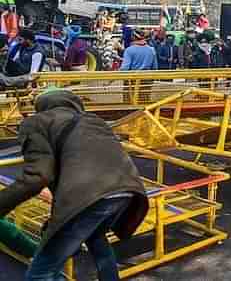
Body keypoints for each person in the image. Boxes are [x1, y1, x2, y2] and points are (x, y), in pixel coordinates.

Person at [0, 88, 149, 280]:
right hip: (128, 191)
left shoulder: (36, 122)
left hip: (90, 196)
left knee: (40, 273)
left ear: (41, 106)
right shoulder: (94, 121)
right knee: (97, 240)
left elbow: (38, 175)